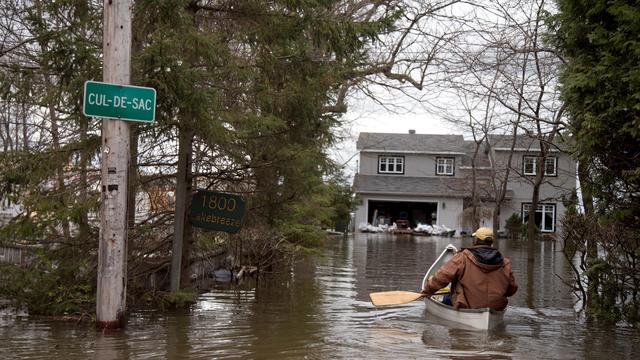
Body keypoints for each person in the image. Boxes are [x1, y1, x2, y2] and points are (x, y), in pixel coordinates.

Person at [421, 227, 518, 310]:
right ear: (491, 242)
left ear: (476, 240)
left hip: (467, 306)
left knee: (447, 296)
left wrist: (427, 291)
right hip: (495, 308)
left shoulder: (462, 257)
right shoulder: (505, 262)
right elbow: (512, 290)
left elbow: (441, 278)